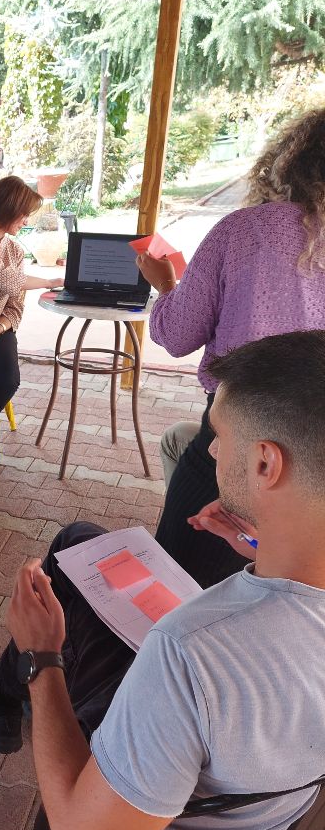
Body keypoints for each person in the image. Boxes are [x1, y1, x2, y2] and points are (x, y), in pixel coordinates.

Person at [0, 330, 325, 830]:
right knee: (81, 542)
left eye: (219, 435)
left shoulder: (190, 651)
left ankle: (6, 689)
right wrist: (259, 543)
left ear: (265, 464)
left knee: (68, 581)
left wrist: (41, 658)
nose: (209, 449)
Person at [135, 108, 325, 586]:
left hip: (240, 434)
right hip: (315, 451)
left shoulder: (244, 230)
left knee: (173, 577)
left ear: (290, 162)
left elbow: (176, 335)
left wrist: (166, 284)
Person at [0, 175, 62, 470]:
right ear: (8, 209)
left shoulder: (16, 251)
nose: (26, 221)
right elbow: (2, 278)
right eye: (23, 215)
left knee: (7, 380)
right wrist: (49, 281)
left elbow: (16, 303)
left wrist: (0, 327)